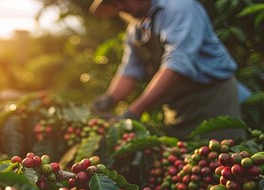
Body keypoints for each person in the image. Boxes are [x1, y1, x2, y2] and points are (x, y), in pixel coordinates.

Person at [89, 0, 250, 141]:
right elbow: (130, 70)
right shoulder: (135, 29)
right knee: (185, 167)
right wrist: (108, 99)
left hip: (212, 99)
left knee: (223, 162)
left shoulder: (179, 7)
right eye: (113, 3)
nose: (119, 7)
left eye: (122, 0)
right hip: (177, 108)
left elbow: (176, 65)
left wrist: (134, 111)